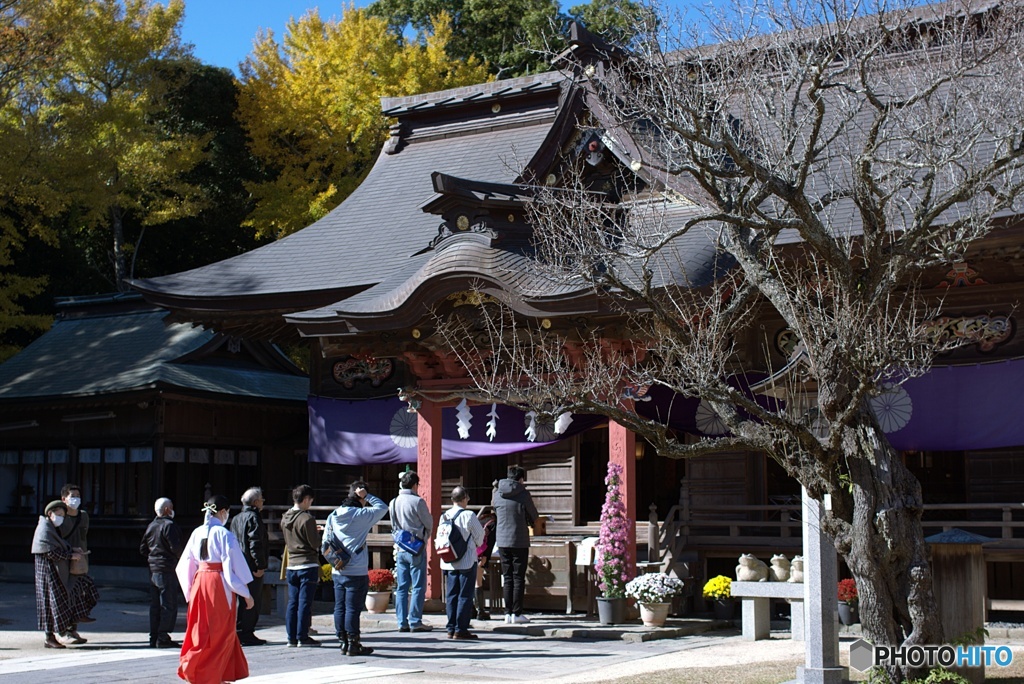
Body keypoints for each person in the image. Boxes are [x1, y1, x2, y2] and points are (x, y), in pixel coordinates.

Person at [177, 494, 254, 684]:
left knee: (200, 629)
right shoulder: (224, 534)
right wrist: (246, 593)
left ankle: (202, 669)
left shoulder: (196, 533)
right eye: (226, 512)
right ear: (222, 512)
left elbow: (185, 564)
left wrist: (189, 591)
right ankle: (213, 674)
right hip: (218, 583)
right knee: (222, 631)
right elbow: (231, 568)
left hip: (199, 582)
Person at [327, 482, 387, 656]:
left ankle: (342, 641)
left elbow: (326, 539)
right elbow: (382, 508)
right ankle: (353, 642)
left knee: (339, 607)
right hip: (357, 568)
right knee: (353, 608)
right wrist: (367, 496)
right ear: (360, 498)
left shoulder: (334, 515)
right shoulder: (362, 514)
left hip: (338, 568)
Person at [32, 500, 85, 649]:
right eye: (59, 514)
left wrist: (71, 550)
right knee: (50, 603)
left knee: (59, 601)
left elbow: (59, 545)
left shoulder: (52, 529)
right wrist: (70, 556)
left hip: (54, 572)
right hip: (47, 573)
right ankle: (50, 636)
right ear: (51, 514)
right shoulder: (44, 529)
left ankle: (61, 632)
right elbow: (49, 551)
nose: (61, 518)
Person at [492, 465, 539, 624]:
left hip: (502, 540)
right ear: (520, 479)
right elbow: (534, 514)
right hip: (519, 540)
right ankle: (517, 613)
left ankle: (507, 613)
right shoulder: (523, 494)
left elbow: (495, 510)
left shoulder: (497, 493)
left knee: (507, 577)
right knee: (518, 577)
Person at [388, 470, 433, 633]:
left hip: (400, 547)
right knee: (418, 586)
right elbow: (429, 523)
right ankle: (415, 620)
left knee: (402, 586)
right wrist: (425, 537)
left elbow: (393, 525)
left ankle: (401, 621)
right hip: (415, 547)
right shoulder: (417, 501)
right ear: (415, 485)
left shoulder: (393, 502)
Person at [440, 486, 485, 640]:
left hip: (448, 560)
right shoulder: (469, 515)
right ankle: (461, 629)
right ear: (464, 498)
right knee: (465, 595)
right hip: (466, 560)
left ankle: (450, 628)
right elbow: (480, 537)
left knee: (451, 594)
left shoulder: (444, 516)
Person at [57, 483, 99, 643]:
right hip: (64, 561)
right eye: (72, 496)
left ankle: (73, 628)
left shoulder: (83, 516)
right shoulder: (60, 516)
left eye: (78, 496)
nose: (76, 499)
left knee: (80, 596)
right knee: (64, 597)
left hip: (81, 562)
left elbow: (84, 535)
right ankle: (63, 631)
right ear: (64, 499)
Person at [140, 497, 184, 648]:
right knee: (168, 603)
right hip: (167, 568)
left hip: (153, 568)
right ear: (167, 509)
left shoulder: (151, 526)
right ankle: (163, 636)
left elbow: (143, 549)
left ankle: (154, 636)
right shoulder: (169, 525)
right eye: (171, 507)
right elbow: (176, 548)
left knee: (155, 604)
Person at [281, 484, 321, 647]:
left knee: (293, 602)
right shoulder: (307, 518)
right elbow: (314, 543)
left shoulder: (285, 517)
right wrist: (317, 533)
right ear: (305, 500)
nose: (310, 504)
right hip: (307, 563)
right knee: (305, 602)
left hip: (292, 563)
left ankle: (291, 636)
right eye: (310, 500)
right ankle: (302, 636)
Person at [229, 486, 268, 646]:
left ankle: (239, 630)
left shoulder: (236, 518)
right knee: (252, 599)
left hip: (238, 564)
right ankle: (246, 632)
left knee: (241, 598)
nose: (263, 503)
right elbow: (255, 544)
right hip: (250, 566)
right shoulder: (253, 518)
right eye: (262, 500)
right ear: (256, 501)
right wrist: (259, 565)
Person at [474, 505, 497, 620]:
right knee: (478, 582)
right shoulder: (493, 524)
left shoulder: (481, 519)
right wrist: (485, 557)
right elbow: (490, 543)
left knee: (471, 582)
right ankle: (480, 611)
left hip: (469, 553)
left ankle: (472, 609)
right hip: (480, 554)